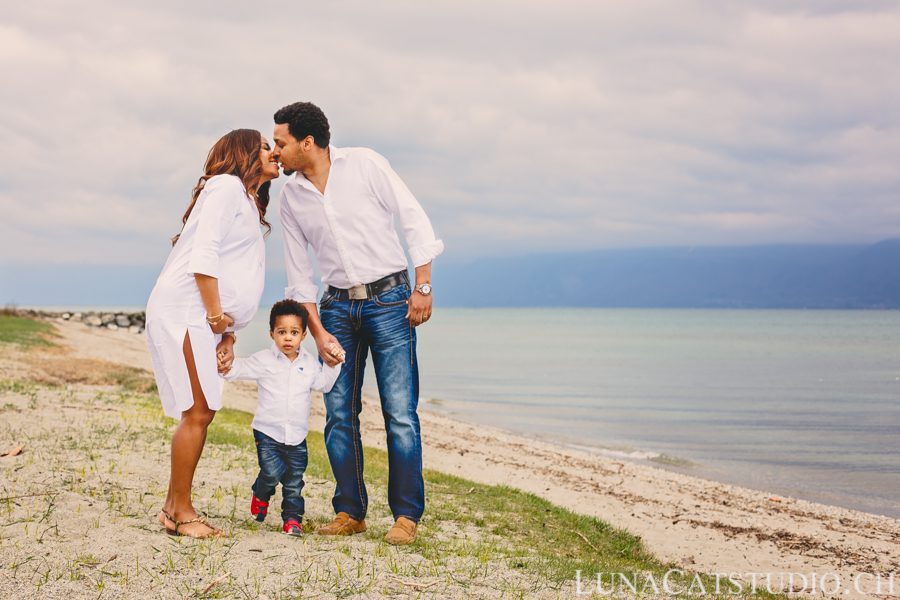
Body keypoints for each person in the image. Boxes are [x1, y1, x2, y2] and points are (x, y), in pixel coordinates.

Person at [272, 101, 444, 545]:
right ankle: (350, 511)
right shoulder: (290, 197)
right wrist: (318, 332)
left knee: (399, 413)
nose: (275, 152)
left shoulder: (365, 164)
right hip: (335, 309)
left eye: (280, 143)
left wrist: (423, 287)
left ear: (307, 142)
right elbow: (299, 275)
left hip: (391, 301)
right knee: (338, 414)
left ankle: (406, 516)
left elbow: (413, 218)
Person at [146, 129, 279, 538]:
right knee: (198, 411)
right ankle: (182, 512)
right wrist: (216, 317)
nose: (274, 152)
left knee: (201, 410)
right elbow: (203, 258)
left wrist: (228, 335)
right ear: (244, 154)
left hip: (202, 317)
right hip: (187, 311)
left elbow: (235, 271)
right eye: (265, 147)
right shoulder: (224, 187)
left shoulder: (247, 199)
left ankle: (172, 509)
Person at [221, 299, 342, 536]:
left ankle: (292, 520)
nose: (288, 338)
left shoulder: (309, 364)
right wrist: (224, 361)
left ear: (304, 335)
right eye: (282, 332)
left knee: (294, 482)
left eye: (294, 332)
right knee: (271, 472)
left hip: (297, 436)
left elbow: (324, 384)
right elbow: (237, 370)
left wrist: (334, 364)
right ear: (271, 333)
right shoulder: (263, 360)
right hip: (267, 432)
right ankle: (261, 493)